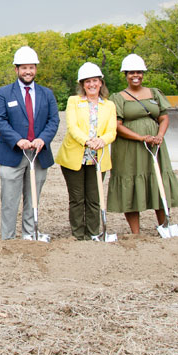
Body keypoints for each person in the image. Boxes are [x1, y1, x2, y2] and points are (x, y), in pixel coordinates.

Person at [107, 53, 178, 234]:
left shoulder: (154, 93)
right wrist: (140, 137)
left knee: (158, 182)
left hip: (155, 146)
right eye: (132, 72)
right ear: (125, 75)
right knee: (130, 184)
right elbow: (117, 126)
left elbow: (164, 117)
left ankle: (164, 226)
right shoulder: (118, 98)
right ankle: (136, 232)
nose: (136, 76)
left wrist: (159, 135)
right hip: (129, 149)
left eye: (139, 72)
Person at [0, 46, 60, 240]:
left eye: (31, 67)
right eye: (24, 68)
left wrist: (42, 139)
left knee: (33, 199)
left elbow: (53, 120)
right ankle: (8, 238)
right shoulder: (4, 93)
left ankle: (30, 234)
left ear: (36, 69)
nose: (28, 71)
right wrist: (17, 140)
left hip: (38, 154)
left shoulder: (46, 93)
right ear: (16, 70)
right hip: (12, 153)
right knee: (9, 200)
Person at [54, 62, 117, 240]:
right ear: (82, 84)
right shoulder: (74, 101)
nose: (91, 85)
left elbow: (112, 131)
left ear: (101, 83)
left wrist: (101, 141)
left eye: (95, 81)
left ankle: (93, 231)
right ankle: (78, 233)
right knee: (77, 198)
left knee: (94, 198)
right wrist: (88, 141)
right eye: (87, 81)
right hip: (75, 156)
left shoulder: (109, 105)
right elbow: (72, 127)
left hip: (98, 156)